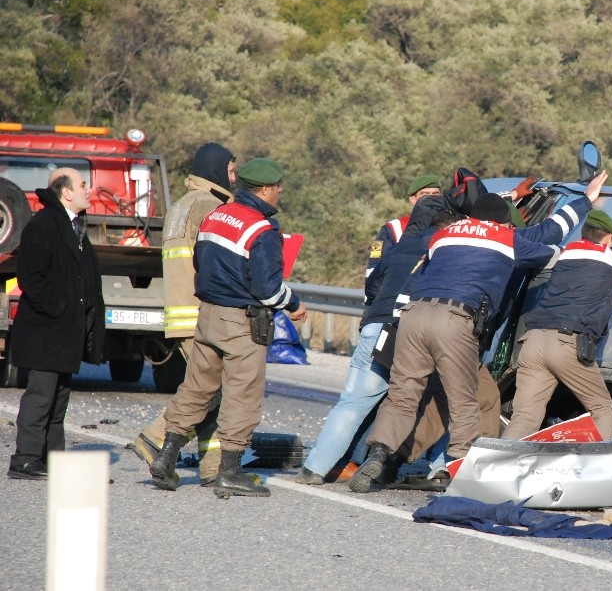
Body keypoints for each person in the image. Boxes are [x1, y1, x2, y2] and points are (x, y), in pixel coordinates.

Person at [349, 172, 608, 493]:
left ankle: (378, 455)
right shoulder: (504, 238)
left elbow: (416, 277)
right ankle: (460, 466)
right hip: (455, 318)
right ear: (502, 222)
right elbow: (551, 234)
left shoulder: (444, 235)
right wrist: (585, 202)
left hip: (413, 317)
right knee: (464, 398)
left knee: (403, 395)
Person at [148, 158, 307, 497]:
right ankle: (230, 472)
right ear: (263, 190)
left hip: (207, 316)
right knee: (242, 396)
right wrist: (293, 304)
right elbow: (268, 288)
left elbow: (198, 262)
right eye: (277, 187)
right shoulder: (262, 230)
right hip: (242, 322)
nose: (280, 192)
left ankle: (166, 456)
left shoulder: (215, 216)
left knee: (196, 389)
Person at [296, 195, 459, 485]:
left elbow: (373, 285)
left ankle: (314, 469)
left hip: (376, 327)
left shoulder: (399, 246)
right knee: (432, 400)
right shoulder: (446, 247)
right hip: (412, 333)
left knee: (351, 404)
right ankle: (434, 468)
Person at [501, 210, 612, 441]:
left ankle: (495, 466)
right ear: (608, 238)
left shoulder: (565, 253)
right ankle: (596, 468)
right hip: (566, 343)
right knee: (603, 409)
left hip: (532, 341)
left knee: (525, 416)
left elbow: (586, 270)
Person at [129, 142, 236, 486]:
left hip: (181, 313)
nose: (234, 177)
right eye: (231, 170)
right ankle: (155, 440)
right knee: (208, 390)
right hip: (201, 313)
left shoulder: (182, 205)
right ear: (217, 170)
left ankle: (211, 467)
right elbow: (215, 262)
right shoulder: (209, 207)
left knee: (209, 389)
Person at [8, 168, 104, 480]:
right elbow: (31, 278)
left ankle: (52, 460)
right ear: (66, 192)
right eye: (83, 185)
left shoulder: (74, 226)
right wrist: (60, 309)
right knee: (41, 395)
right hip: (46, 330)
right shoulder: (44, 224)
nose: (89, 190)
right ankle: (25, 458)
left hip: (65, 332)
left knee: (59, 397)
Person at [366, 174, 442, 279]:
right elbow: (373, 265)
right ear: (412, 199)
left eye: (435, 194)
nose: (431, 199)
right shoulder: (390, 229)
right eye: (425, 194)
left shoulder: (451, 226)